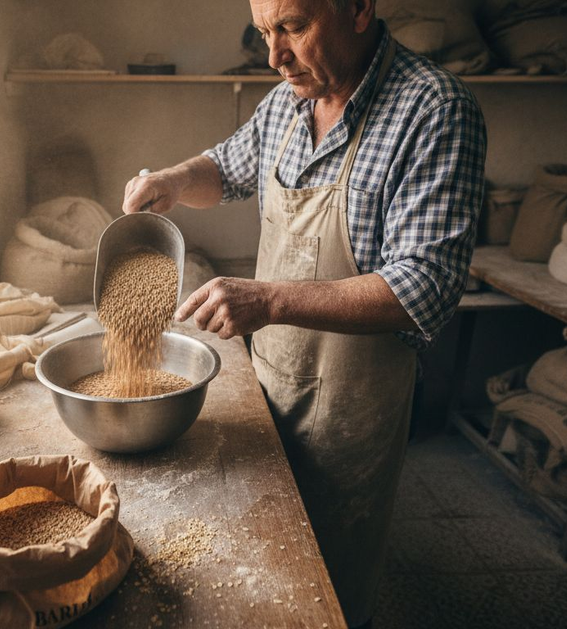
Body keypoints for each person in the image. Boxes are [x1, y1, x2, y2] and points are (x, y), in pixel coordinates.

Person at [121, 0, 486, 625]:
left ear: (359, 9)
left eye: (293, 27)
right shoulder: (286, 101)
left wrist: (269, 299)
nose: (274, 55)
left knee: (327, 588)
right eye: (266, 32)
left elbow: (424, 287)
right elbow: (226, 169)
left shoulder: (434, 111)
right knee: (259, 565)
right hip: (270, 382)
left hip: (352, 409)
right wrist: (175, 179)